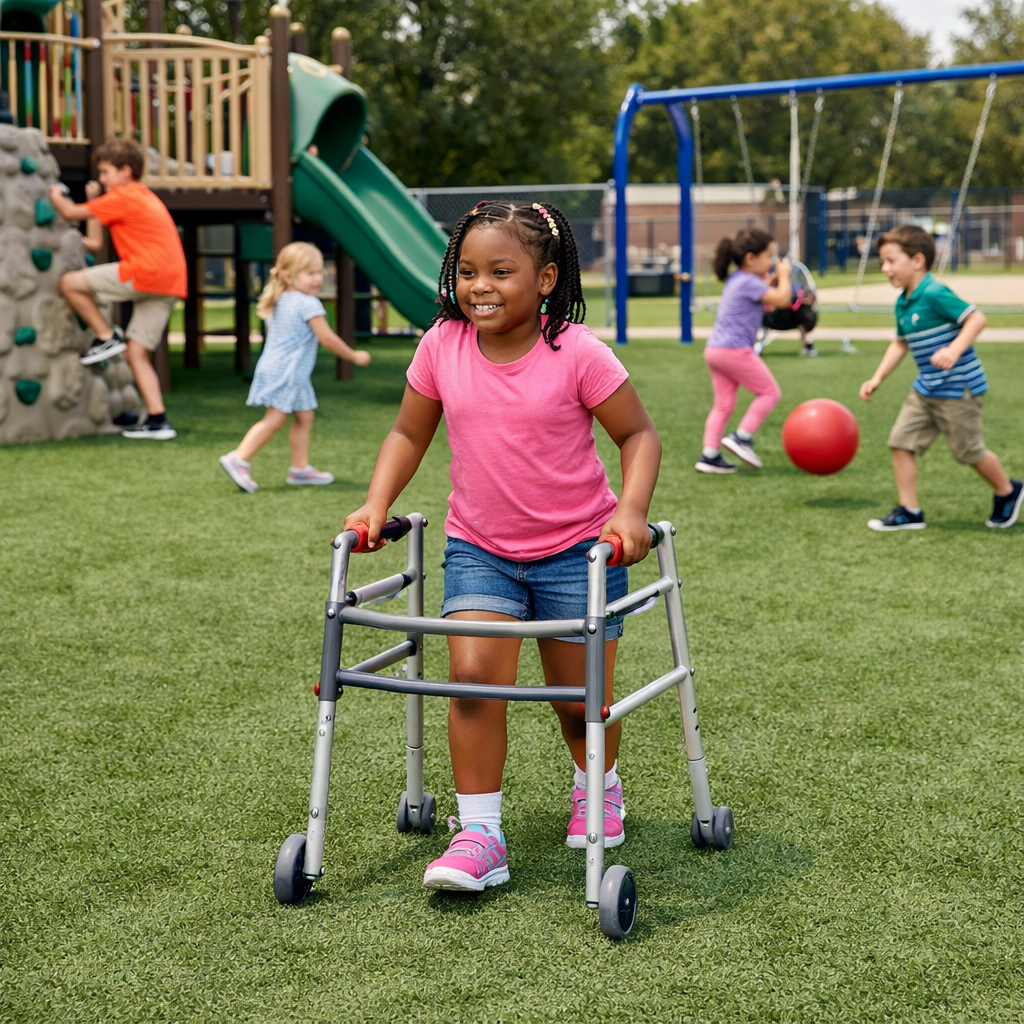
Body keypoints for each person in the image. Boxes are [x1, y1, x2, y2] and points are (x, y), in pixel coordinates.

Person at [343, 200, 661, 892]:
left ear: (546, 280)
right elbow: (408, 433)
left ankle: (597, 785)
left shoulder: (577, 352)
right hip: (481, 549)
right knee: (475, 682)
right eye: (467, 271)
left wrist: (631, 512)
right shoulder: (441, 345)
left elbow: (638, 436)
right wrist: (377, 503)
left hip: (579, 552)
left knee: (579, 700)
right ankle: (479, 835)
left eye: (501, 271)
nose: (479, 286)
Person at [859, 224, 1022, 531]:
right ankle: (910, 511)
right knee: (900, 442)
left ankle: (1008, 490)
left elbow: (976, 318)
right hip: (925, 390)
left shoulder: (934, 293)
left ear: (917, 261)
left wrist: (954, 349)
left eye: (891, 261)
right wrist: (877, 377)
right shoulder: (903, 302)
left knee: (968, 452)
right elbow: (900, 342)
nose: (885, 268)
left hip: (959, 389)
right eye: (883, 262)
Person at [49, 138, 186, 440]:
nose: (102, 178)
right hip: (170, 282)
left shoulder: (126, 195)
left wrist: (55, 196)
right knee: (137, 353)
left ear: (126, 172)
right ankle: (158, 420)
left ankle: (106, 336)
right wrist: (92, 201)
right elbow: (95, 243)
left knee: (69, 283)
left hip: (146, 272)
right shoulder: (136, 197)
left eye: (106, 172)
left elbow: (71, 214)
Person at [219, 242, 371, 493]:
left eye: (320, 272)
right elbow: (327, 338)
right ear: (289, 276)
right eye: (310, 273)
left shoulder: (283, 299)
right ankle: (239, 458)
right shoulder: (308, 304)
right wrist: (353, 356)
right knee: (275, 419)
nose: (317, 279)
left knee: (304, 415)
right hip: (287, 372)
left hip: (288, 371)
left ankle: (300, 470)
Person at [696, 229, 791, 474]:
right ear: (751, 258)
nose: (771, 262)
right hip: (734, 350)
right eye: (768, 256)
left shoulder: (739, 279)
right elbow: (782, 300)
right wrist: (784, 276)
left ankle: (709, 455)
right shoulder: (750, 283)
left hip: (715, 350)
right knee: (770, 393)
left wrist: (769, 282)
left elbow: (764, 301)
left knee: (723, 405)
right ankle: (742, 437)